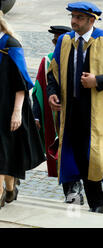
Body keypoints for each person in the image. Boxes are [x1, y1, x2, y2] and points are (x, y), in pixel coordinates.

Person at [47, 2, 103, 213]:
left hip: (100, 112)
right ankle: (97, 203)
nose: (73, 21)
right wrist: (52, 92)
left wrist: (98, 80)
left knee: (101, 155)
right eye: (73, 16)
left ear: (91, 20)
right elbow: (53, 72)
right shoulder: (64, 41)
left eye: (79, 17)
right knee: (81, 157)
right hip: (71, 111)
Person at [32, 25, 84, 205]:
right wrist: (36, 116)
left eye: (60, 40)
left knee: (74, 152)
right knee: (60, 154)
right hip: (54, 119)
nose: (57, 44)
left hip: (77, 116)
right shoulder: (47, 61)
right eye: (55, 41)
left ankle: (76, 189)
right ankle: (71, 192)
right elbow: (37, 90)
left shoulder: (79, 58)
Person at [0, 11, 45, 209]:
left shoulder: (11, 45)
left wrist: (17, 112)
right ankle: (9, 189)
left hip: (8, 108)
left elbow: (22, 83)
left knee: (4, 156)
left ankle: (9, 189)